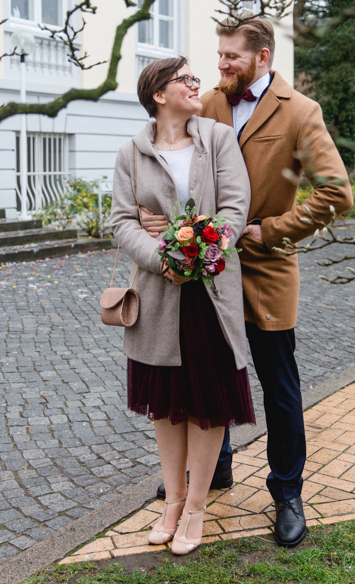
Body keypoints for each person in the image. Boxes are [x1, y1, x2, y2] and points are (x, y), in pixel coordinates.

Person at [141, 16, 354, 548]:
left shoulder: (302, 113)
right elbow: (169, 165)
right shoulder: (208, 102)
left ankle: (287, 492)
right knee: (206, 377)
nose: (219, 64)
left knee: (278, 386)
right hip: (206, 276)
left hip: (263, 270)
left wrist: (269, 231)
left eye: (231, 56)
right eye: (217, 54)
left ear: (261, 57)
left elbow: (336, 194)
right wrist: (154, 220)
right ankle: (215, 471)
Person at [110, 56, 255, 556]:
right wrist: (161, 257)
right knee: (167, 405)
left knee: (208, 402)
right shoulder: (132, 152)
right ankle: (171, 502)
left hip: (211, 293)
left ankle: (196, 506)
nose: (197, 85)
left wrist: (204, 251)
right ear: (158, 94)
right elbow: (123, 221)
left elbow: (235, 208)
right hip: (158, 294)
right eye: (186, 80)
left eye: (196, 78)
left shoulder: (217, 138)